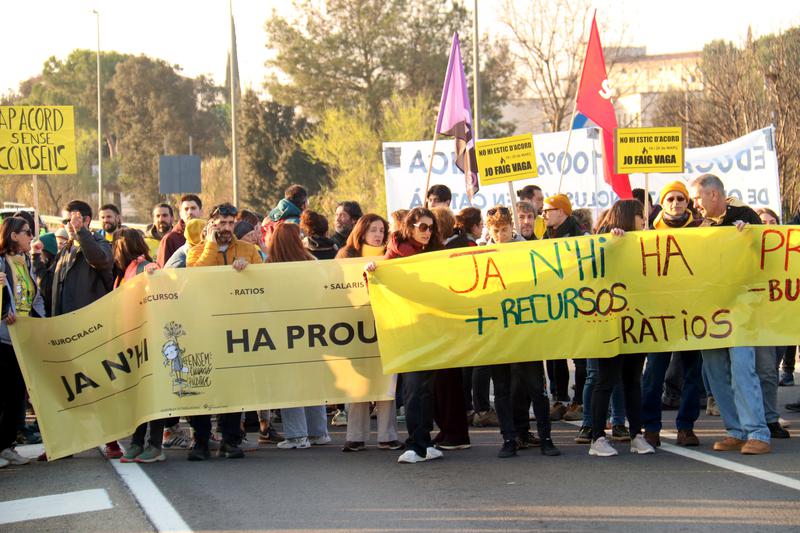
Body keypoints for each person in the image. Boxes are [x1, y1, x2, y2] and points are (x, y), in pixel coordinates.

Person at [690, 173, 772, 454]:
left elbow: (765, 253)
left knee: (741, 370)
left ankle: (758, 432)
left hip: (740, 308)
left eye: (698, 198)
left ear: (714, 195)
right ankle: (735, 430)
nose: (695, 204)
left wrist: (749, 236)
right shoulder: (694, 223)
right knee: (715, 372)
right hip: (708, 311)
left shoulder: (745, 214)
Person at [366, 207, 443, 463]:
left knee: (426, 389)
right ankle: (415, 445)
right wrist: (372, 272)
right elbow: (377, 282)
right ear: (410, 227)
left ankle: (425, 442)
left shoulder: (431, 253)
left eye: (431, 228)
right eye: (422, 227)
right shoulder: (396, 253)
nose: (427, 232)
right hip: (408, 330)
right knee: (413, 387)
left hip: (430, 328)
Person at [481, 206, 560, 458]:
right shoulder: (480, 255)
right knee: (502, 389)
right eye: (496, 231)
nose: (501, 235)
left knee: (536, 388)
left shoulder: (528, 250)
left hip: (526, 330)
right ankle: (509, 438)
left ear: (512, 228)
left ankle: (546, 437)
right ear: (489, 231)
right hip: (497, 332)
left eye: (505, 230)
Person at [186, 203, 262, 460]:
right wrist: (209, 245)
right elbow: (195, 275)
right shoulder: (196, 251)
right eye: (222, 223)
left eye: (231, 223)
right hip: (204, 326)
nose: (227, 228)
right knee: (202, 381)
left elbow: (265, 282)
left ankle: (230, 439)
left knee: (232, 383)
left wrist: (248, 270)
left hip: (236, 327)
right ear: (212, 224)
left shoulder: (249, 250)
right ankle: (201, 439)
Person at [49, 200, 117, 459]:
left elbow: (100, 261)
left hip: (89, 330)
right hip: (63, 329)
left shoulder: (99, 244)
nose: (68, 225)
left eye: (73, 220)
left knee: (98, 383)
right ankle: (64, 443)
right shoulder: (65, 249)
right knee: (65, 387)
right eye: (67, 221)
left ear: (86, 220)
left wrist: (82, 234)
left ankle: (111, 439)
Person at [640, 181, 704, 449]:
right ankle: (651, 426)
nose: (676, 203)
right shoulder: (645, 234)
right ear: (663, 203)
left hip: (694, 315)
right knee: (654, 374)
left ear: (687, 202)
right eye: (671, 199)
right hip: (659, 318)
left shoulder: (704, 232)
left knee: (692, 374)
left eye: (681, 199)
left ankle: (686, 427)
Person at [589, 199, 655, 457]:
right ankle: (597, 438)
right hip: (609, 323)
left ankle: (636, 434)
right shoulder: (603, 241)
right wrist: (612, 242)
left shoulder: (645, 240)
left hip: (635, 322)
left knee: (632, 381)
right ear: (630, 217)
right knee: (605, 380)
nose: (644, 221)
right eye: (641, 216)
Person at [336, 215, 402, 452]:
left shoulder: (390, 257)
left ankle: (387, 435)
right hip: (354, 326)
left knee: (387, 381)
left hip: (385, 325)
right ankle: (355, 436)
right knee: (358, 382)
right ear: (362, 231)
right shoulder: (346, 256)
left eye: (382, 230)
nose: (378, 235)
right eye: (373, 230)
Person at [265, 223, 332, 450]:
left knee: (290, 381)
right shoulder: (312, 263)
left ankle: (296, 436)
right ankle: (318, 432)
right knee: (312, 380)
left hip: (282, 331)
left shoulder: (270, 266)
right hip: (311, 329)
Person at [110, 229, 165, 463]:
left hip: (149, 339)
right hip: (132, 340)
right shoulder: (125, 272)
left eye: (116, 247)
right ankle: (136, 441)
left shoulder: (145, 268)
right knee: (138, 394)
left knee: (152, 393)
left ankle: (155, 444)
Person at [0, 217, 45, 468]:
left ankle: (6, 446)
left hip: (21, 338)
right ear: (13, 235)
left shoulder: (25, 261)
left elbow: (33, 296)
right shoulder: (0, 261)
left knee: (16, 395)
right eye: (27, 232)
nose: (31, 237)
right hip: (2, 339)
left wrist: (44, 323)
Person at [542, 194, 586, 421]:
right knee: (555, 353)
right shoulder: (546, 235)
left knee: (579, 356)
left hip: (577, 302)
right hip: (555, 303)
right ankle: (560, 399)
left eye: (548, 210)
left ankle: (579, 400)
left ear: (561, 211)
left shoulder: (581, 234)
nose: (544, 215)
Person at [157, 194, 203, 268]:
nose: (190, 212)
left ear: (201, 211)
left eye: (193, 208)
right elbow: (162, 271)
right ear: (180, 213)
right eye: (186, 209)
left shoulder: (209, 235)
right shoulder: (170, 239)